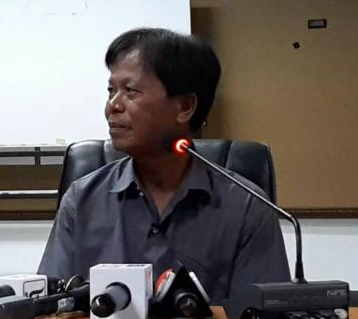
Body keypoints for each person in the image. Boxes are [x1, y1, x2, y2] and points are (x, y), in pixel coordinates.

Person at [38, 28, 290, 302]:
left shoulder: (247, 206)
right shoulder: (82, 199)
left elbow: (263, 318)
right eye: (111, 91)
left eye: (130, 91)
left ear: (184, 106)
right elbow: (50, 308)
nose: (113, 106)